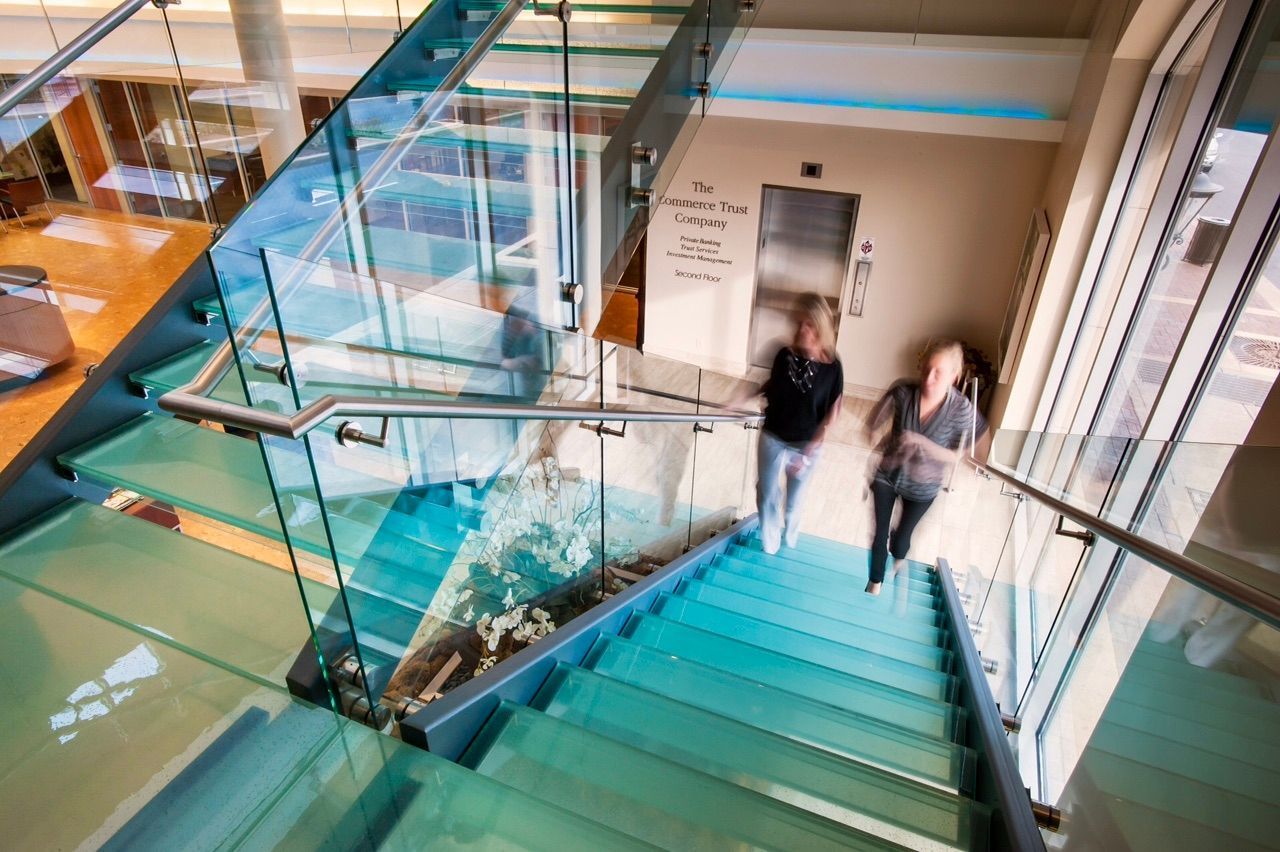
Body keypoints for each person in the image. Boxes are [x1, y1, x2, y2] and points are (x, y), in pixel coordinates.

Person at [865, 338, 988, 595]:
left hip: (923, 488)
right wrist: (875, 435)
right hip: (888, 475)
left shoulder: (961, 410)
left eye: (938, 373)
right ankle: (875, 582)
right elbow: (873, 423)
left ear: (954, 376)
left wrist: (922, 443)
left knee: (901, 541)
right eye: (926, 369)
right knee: (879, 535)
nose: (928, 378)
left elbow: (963, 455)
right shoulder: (902, 391)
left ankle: (899, 554)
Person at [742, 293, 843, 554]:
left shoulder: (833, 368)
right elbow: (773, 385)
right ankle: (769, 539)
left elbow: (831, 416)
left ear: (820, 328)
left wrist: (808, 452)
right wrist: (741, 398)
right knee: (766, 493)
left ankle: (791, 530)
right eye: (798, 323)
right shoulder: (783, 355)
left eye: (809, 324)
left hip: (807, 444)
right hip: (774, 435)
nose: (801, 330)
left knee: (794, 502)